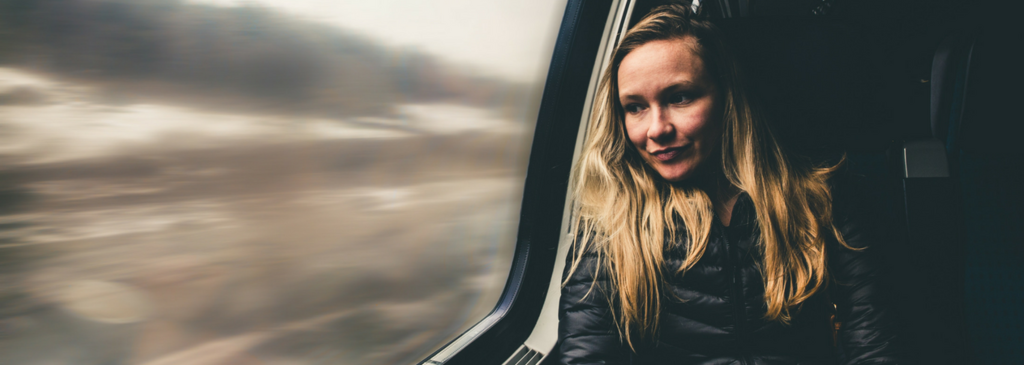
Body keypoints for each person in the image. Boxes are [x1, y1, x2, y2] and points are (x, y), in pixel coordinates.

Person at [557, 4, 901, 365]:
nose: (656, 129)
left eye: (679, 97)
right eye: (635, 107)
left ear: (726, 98)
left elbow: (874, 347)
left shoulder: (819, 203)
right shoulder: (610, 230)